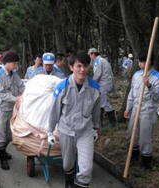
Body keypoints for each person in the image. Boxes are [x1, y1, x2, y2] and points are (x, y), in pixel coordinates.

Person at [47, 51, 100, 188]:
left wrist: (95, 128)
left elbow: (95, 110)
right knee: (67, 164)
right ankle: (69, 180)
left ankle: (79, 184)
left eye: (86, 66)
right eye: (79, 66)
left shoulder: (94, 87)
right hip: (66, 130)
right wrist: (50, 131)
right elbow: (54, 112)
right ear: (71, 67)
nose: (82, 70)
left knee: (87, 169)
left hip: (85, 131)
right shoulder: (62, 87)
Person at [124, 52, 159, 171]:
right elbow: (132, 93)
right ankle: (133, 158)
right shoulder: (136, 75)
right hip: (135, 109)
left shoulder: (158, 77)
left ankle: (146, 163)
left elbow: (158, 96)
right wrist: (128, 108)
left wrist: (149, 85)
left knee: (144, 138)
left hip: (148, 111)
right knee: (131, 135)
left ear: (149, 62)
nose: (140, 64)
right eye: (139, 62)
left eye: (142, 62)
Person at [0, 50, 25, 170]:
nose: (16, 66)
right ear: (7, 62)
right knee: (1, 135)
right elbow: (2, 94)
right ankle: (2, 158)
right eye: (14, 63)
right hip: (0, 110)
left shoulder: (14, 75)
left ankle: (2, 151)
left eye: (16, 64)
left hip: (11, 109)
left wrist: (26, 95)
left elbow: (21, 86)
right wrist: (17, 99)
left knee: (10, 135)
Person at [88, 48, 116, 127]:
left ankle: (112, 122)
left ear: (93, 54)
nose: (90, 57)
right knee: (100, 103)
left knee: (105, 103)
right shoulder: (103, 60)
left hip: (104, 84)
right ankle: (99, 122)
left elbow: (98, 74)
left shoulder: (98, 61)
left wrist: (91, 83)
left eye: (90, 55)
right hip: (106, 83)